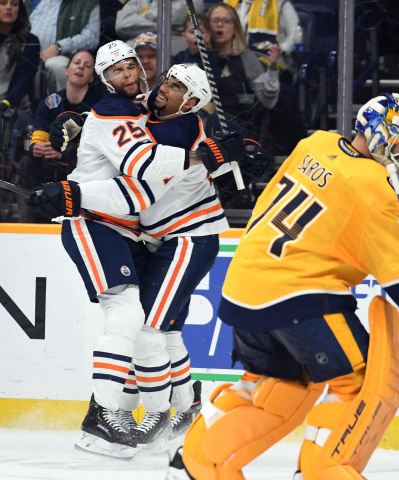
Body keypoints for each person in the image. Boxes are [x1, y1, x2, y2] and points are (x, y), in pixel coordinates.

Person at [166, 93, 399, 479]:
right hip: (299, 293)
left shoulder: (315, 143)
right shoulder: (375, 186)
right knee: (357, 385)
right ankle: (322, 473)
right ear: (381, 136)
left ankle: (194, 463)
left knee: (275, 387)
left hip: (243, 280)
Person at [25, 40, 242, 457]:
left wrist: (77, 123)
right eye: (116, 71)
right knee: (131, 318)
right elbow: (143, 168)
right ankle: (106, 417)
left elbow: (144, 170)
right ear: (104, 81)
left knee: (147, 328)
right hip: (97, 223)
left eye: (131, 67)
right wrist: (76, 194)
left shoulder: (142, 109)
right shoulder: (116, 110)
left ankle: (146, 413)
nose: (127, 74)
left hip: (135, 231)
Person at [68, 63, 229, 456]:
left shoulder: (178, 128)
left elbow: (137, 148)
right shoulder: (157, 114)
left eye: (175, 88)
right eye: (166, 81)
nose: (163, 89)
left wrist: (87, 127)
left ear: (190, 102)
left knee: (147, 330)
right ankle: (182, 407)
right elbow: (131, 114)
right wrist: (81, 124)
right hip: (165, 239)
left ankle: (159, 414)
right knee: (165, 331)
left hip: (187, 237)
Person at [18, 49, 99, 222]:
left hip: (78, 167)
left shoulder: (97, 105)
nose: (81, 68)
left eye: (87, 66)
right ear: (67, 70)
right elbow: (39, 135)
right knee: (28, 163)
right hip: (50, 164)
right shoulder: (51, 102)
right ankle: (29, 215)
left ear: (92, 77)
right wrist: (37, 147)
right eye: (76, 63)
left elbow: (95, 149)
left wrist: (65, 153)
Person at [207, 2, 280, 140]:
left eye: (226, 21)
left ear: (235, 28)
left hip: (237, 130)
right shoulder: (197, 57)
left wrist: (272, 69)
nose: (220, 25)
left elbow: (267, 102)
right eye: (215, 20)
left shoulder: (247, 59)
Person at [24, 0, 101, 93]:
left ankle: (61, 106)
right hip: (24, 50)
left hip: (63, 55)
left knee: (56, 65)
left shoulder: (87, 3)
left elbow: (91, 37)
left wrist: (60, 47)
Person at [115, 0, 205, 56]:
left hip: (173, 51)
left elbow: (178, 15)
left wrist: (142, 19)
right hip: (137, 49)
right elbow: (121, 24)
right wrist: (165, 28)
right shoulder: (137, 1)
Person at [224, 0, 300, 56]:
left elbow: (296, 36)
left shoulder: (280, 3)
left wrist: (282, 50)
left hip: (269, 62)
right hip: (233, 58)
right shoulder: (228, 3)